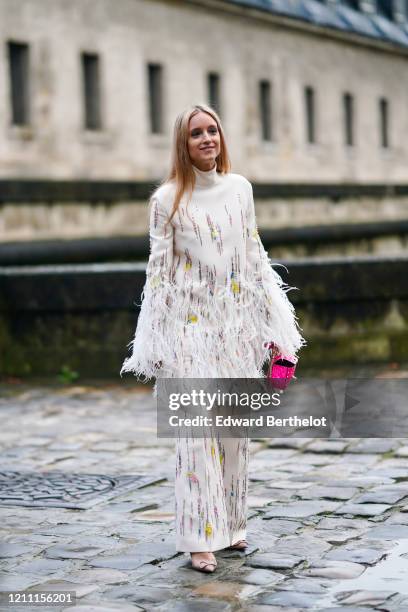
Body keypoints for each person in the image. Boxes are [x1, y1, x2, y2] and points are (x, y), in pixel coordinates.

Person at [120, 103, 307, 572]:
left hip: (236, 328)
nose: (207, 139)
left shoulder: (240, 189)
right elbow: (158, 273)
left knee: (233, 433)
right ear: (182, 145)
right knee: (195, 435)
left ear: (221, 137)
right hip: (189, 332)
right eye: (196, 134)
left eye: (212, 131)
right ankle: (199, 537)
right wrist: (154, 342)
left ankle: (232, 526)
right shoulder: (167, 199)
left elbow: (255, 255)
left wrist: (277, 328)